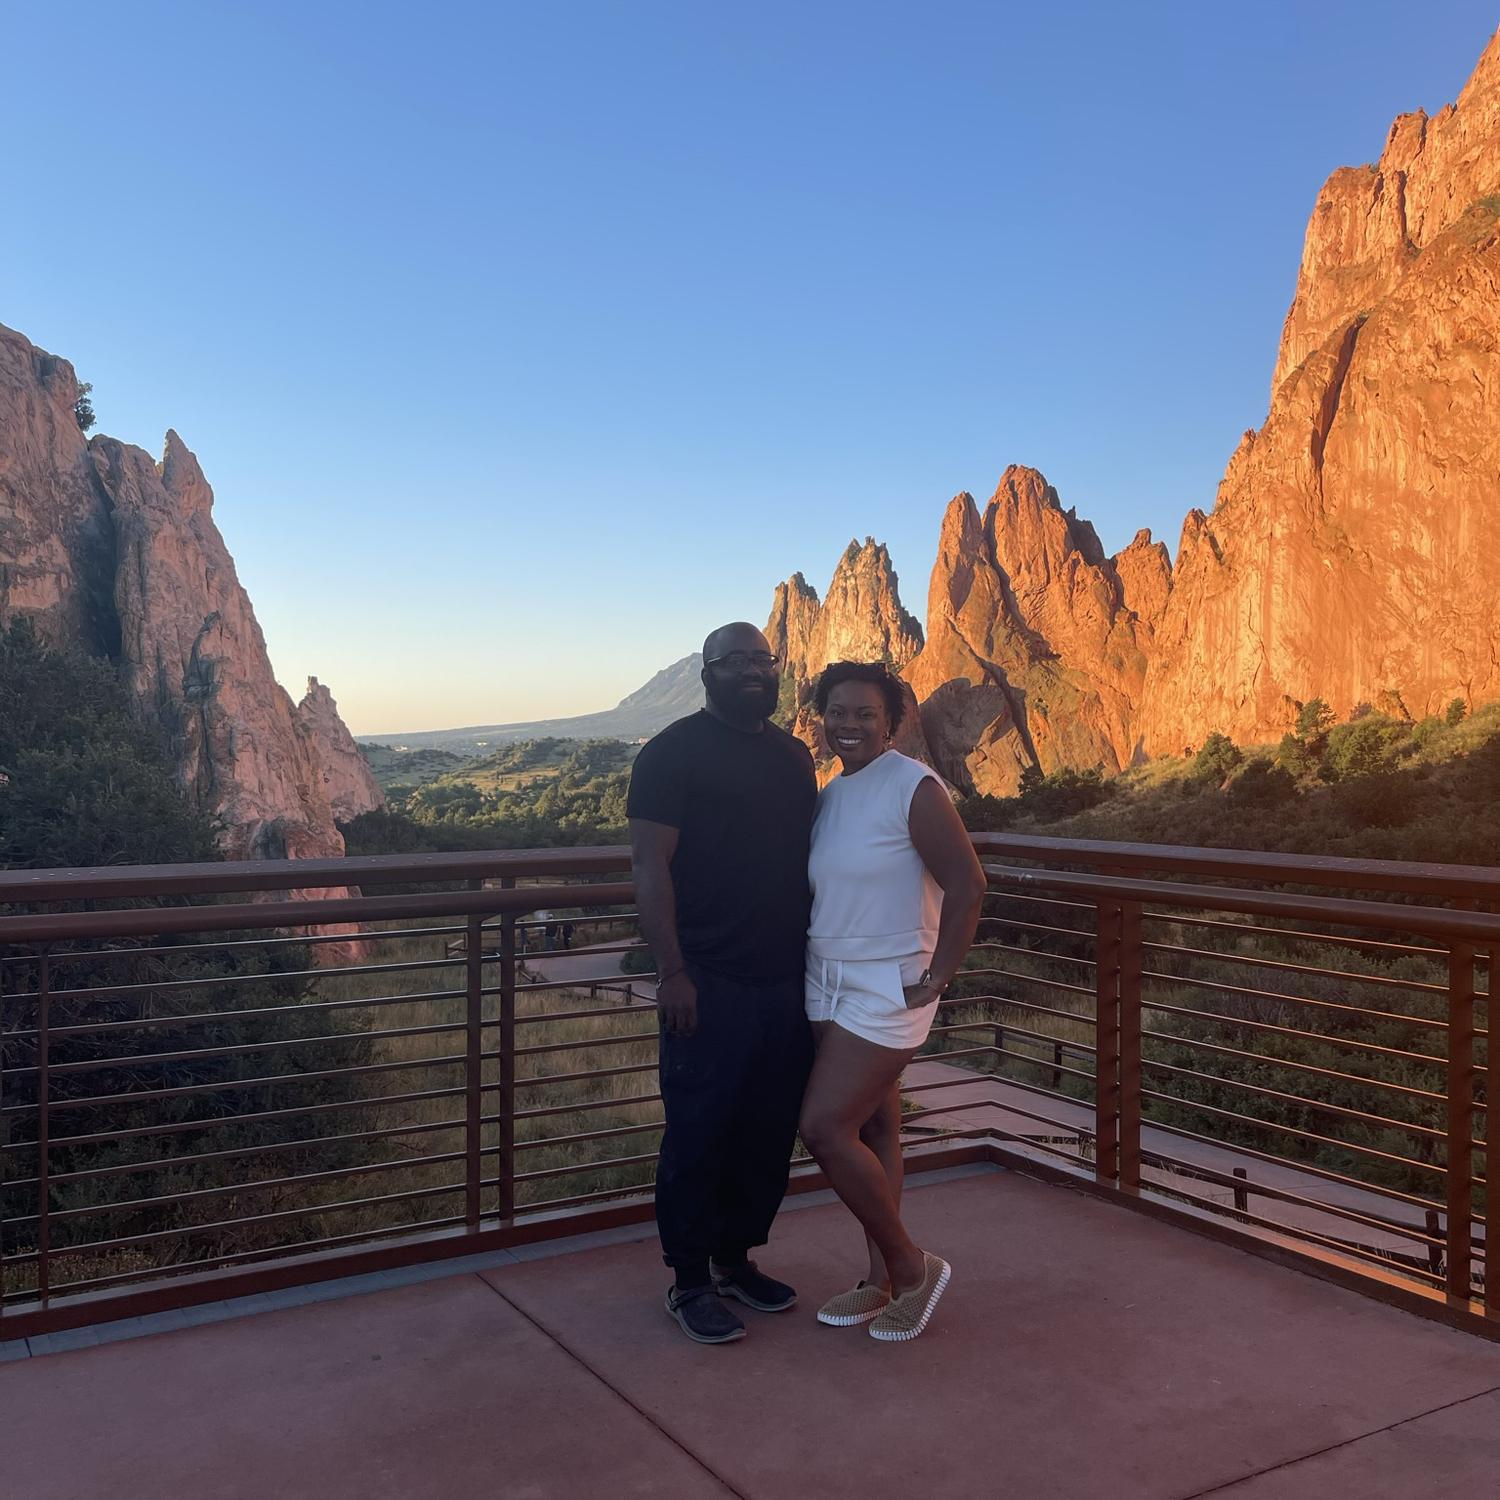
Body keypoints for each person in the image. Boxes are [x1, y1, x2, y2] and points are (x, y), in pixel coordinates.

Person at [627, 622, 817, 1344]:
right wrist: (671, 970)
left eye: (760, 659)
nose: (749, 670)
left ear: (775, 670)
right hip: (705, 981)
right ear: (705, 673)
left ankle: (737, 1260)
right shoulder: (670, 754)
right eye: (732, 660)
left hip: (786, 981)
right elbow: (649, 867)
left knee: (767, 1133)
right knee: (698, 1133)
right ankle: (687, 1281)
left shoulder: (794, 757)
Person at [798, 660, 986, 1342]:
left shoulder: (914, 786)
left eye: (865, 713)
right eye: (837, 712)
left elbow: (969, 887)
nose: (849, 724)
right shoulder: (829, 794)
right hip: (827, 979)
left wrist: (937, 978)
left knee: (823, 1127)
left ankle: (911, 1269)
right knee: (876, 1131)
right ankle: (877, 1281)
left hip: (889, 986)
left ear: (892, 720)